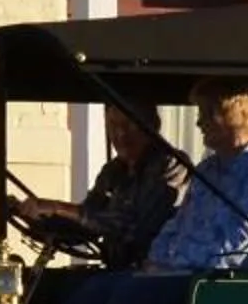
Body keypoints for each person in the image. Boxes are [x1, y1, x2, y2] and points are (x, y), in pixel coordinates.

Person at [49, 80, 248, 304]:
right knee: (94, 288)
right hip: (181, 270)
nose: (199, 122)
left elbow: (237, 244)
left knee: (131, 294)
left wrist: (172, 265)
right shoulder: (210, 169)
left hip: (220, 282)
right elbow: (178, 222)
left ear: (234, 116)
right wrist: (157, 258)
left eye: (206, 113)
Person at [16, 105, 189, 270]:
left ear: (152, 125)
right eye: (113, 126)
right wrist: (35, 216)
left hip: (157, 273)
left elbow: (133, 224)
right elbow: (86, 223)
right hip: (117, 270)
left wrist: (58, 207)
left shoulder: (171, 164)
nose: (120, 134)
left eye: (128, 125)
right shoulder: (113, 171)